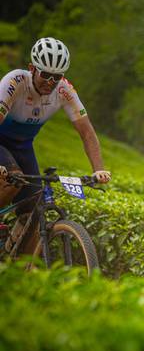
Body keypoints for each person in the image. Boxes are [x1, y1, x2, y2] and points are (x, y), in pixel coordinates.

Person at [0, 37, 111, 253]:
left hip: (23, 147)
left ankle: (18, 263)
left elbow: (87, 132)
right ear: (32, 68)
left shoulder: (64, 90)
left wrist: (98, 169)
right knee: (13, 179)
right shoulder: (15, 82)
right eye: (45, 74)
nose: (51, 82)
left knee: (33, 209)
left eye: (57, 76)